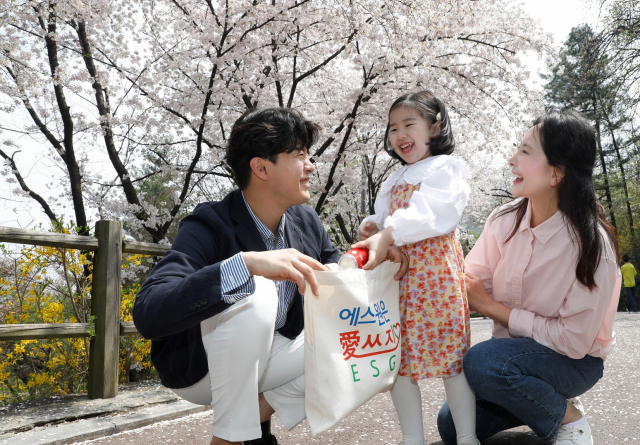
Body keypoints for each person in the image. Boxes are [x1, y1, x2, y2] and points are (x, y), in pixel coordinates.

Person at [133, 107, 407, 445]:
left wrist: (369, 254)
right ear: (261, 167)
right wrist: (245, 265)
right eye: (299, 155)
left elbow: (335, 278)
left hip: (271, 362)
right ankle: (233, 438)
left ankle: (246, 424)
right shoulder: (208, 224)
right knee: (257, 291)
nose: (311, 166)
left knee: (368, 336)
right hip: (201, 370)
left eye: (309, 155)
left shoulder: (306, 221)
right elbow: (148, 313)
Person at [437, 109, 621, 445]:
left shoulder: (593, 247)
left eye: (525, 152)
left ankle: (569, 418)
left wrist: (492, 308)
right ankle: (540, 399)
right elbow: (471, 282)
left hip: (573, 362)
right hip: (511, 358)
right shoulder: (503, 220)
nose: (511, 160)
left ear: (556, 173)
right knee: (452, 425)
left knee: (482, 363)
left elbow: (572, 342)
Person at [353, 91, 478, 445]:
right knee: (400, 363)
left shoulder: (445, 168)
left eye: (409, 124)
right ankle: (412, 438)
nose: (399, 134)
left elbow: (432, 212)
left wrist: (389, 230)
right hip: (399, 281)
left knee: (451, 359)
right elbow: (387, 218)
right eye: (393, 128)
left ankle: (468, 436)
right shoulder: (395, 178)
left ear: (435, 127)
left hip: (436, 278)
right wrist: (374, 227)